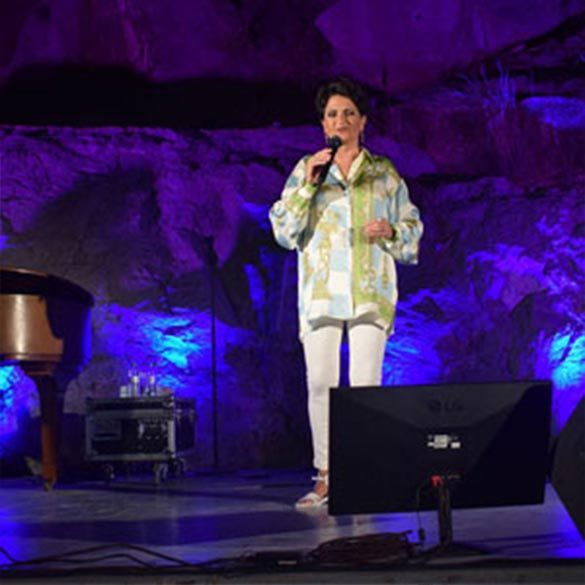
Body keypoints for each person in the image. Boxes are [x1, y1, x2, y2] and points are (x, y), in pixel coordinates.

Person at [269, 78, 423, 509]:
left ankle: (365, 474)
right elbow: (283, 231)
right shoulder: (308, 169)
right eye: (333, 114)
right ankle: (326, 475)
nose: (341, 120)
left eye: (349, 113)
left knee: (366, 385)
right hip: (321, 291)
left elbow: (412, 228)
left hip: (369, 289)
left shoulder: (383, 172)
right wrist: (307, 186)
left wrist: (391, 230)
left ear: (363, 121)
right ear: (323, 124)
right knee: (321, 382)